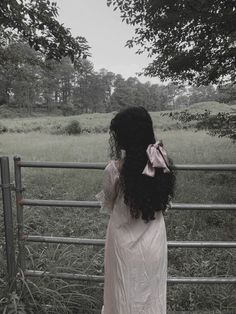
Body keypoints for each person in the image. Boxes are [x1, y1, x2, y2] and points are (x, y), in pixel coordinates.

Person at [96, 106, 175, 314]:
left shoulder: (114, 169)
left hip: (122, 241)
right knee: (152, 293)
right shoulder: (162, 163)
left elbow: (108, 202)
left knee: (122, 292)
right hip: (154, 242)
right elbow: (165, 203)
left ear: (125, 137)